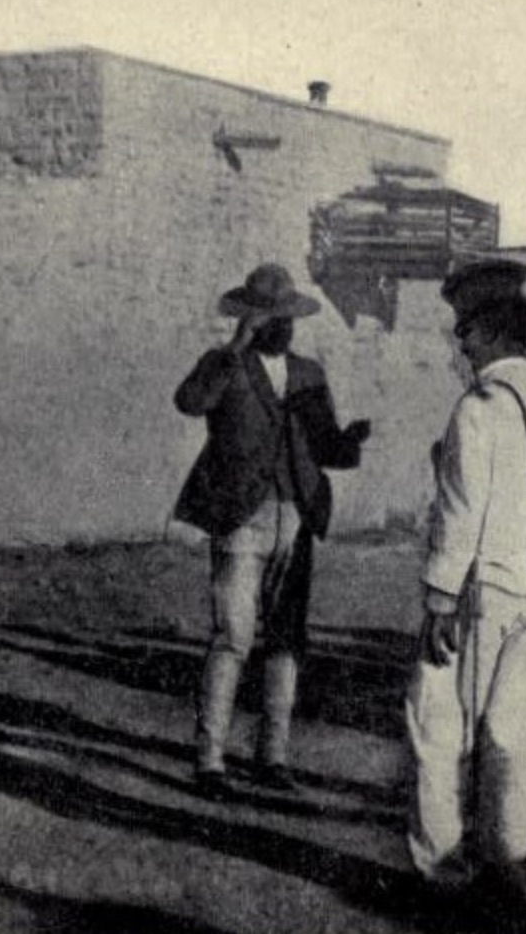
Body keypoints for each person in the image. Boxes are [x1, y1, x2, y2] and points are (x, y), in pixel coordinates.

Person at [406, 258, 526, 911]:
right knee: (511, 731)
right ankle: (506, 863)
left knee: (439, 725)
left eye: (468, 330)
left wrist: (440, 601)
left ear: (500, 332)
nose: (461, 343)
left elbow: (460, 513)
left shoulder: (477, 408)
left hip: (481, 593)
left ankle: (443, 869)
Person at [172, 263, 371, 797]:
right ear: (253, 318)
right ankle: (209, 760)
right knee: (232, 638)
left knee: (286, 640)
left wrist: (349, 441)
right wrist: (232, 347)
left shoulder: (308, 372)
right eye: (272, 317)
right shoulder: (228, 365)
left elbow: (326, 447)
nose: (283, 327)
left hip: (296, 516)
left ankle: (272, 757)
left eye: (288, 317)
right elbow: (190, 402)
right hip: (241, 517)